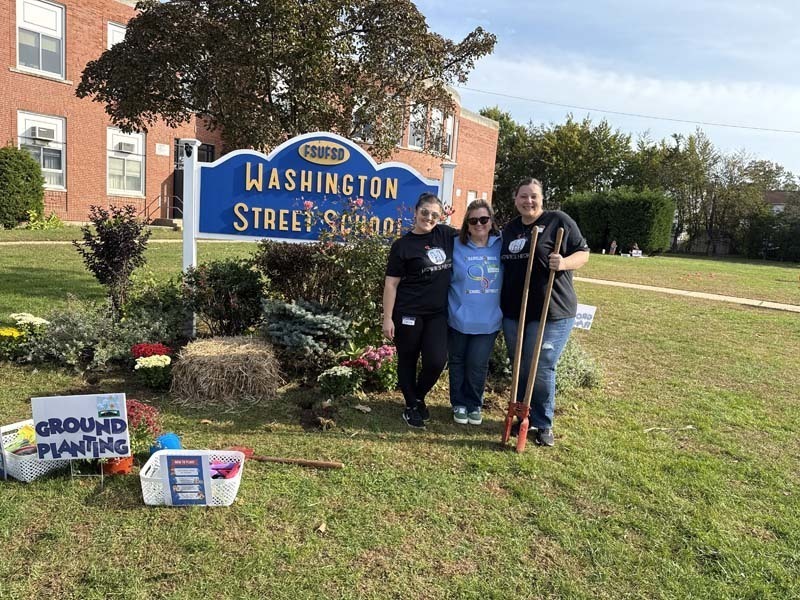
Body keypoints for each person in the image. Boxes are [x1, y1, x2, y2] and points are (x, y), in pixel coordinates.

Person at [500, 178, 590, 446]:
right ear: (515, 199)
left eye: (534, 196)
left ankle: (543, 422)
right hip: (516, 310)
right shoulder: (510, 229)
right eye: (523, 196)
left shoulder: (557, 220)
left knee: (541, 366)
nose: (528, 201)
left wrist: (563, 263)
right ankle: (521, 415)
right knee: (521, 365)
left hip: (553, 310)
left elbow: (583, 253)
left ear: (542, 199)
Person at [383, 192, 455, 428]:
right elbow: (391, 284)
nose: (429, 217)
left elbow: (475, 235)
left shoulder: (445, 235)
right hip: (408, 312)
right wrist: (387, 319)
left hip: (437, 313)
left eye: (435, 214)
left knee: (436, 361)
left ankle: (418, 397)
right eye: (425, 212)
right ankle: (412, 406)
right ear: (415, 212)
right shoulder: (402, 246)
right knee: (408, 359)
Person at [447, 200, 503, 426]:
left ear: (491, 222)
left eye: (483, 219)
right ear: (466, 225)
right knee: (458, 361)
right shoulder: (455, 245)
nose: (479, 224)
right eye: (473, 220)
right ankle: (458, 403)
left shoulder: (501, 245)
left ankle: (474, 404)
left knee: (478, 364)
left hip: (488, 319)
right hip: (459, 317)